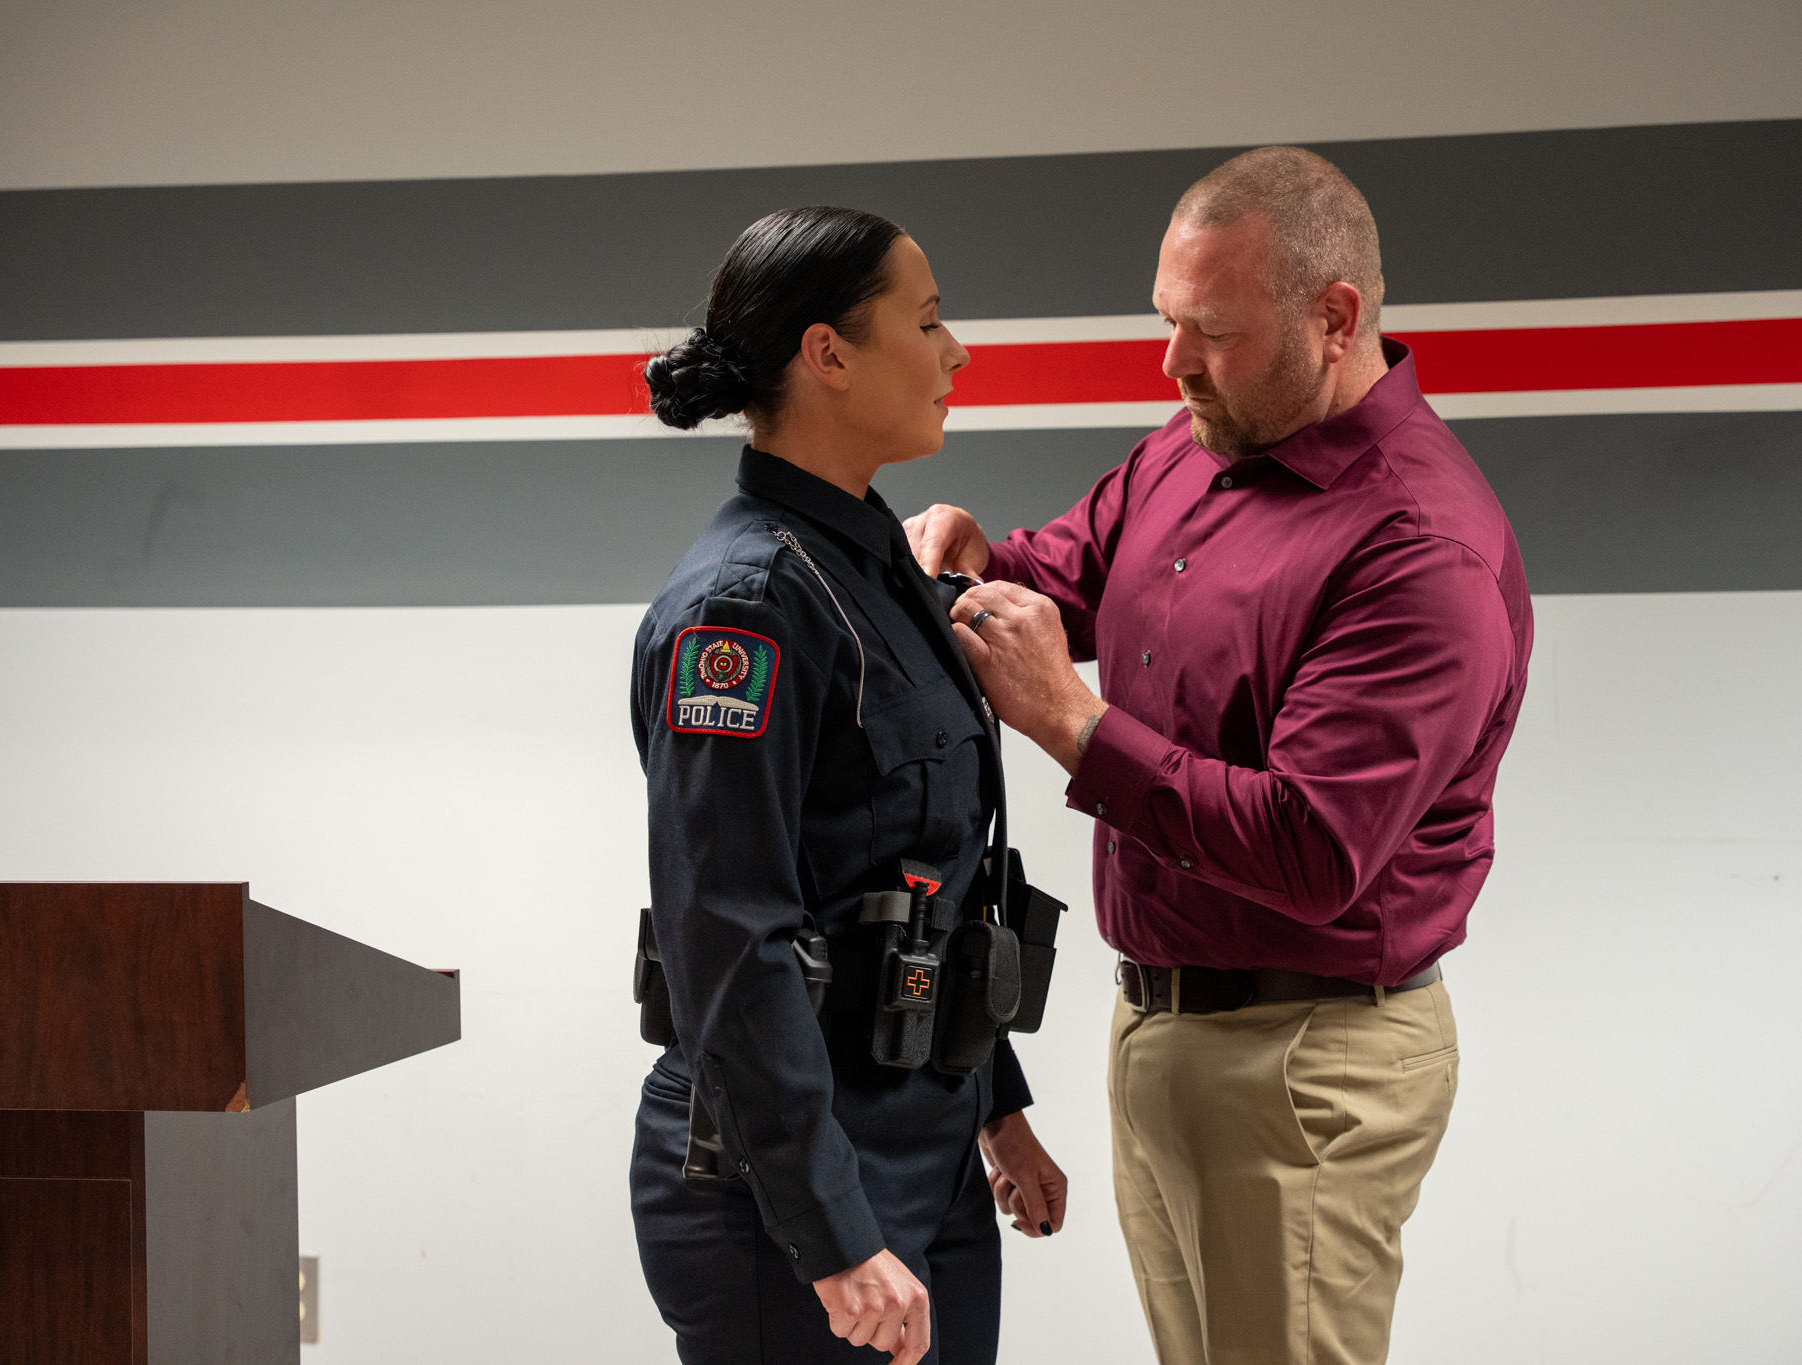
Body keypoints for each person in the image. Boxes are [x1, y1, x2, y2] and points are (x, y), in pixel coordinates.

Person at [906, 148, 1534, 1364]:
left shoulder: (1417, 549)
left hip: (1304, 1062)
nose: (1173, 362)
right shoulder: (1198, 441)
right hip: (1164, 1028)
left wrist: (1066, 723)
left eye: (1208, 330)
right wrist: (986, 568)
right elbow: (1072, 571)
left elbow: (1310, 849)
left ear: (1334, 319)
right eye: (1165, 322)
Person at [627, 206, 1068, 1365]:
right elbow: (729, 936)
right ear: (827, 354)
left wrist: (998, 1107)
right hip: (789, 1183)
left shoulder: (879, 568)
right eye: (925, 322)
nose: (954, 351)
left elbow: (927, 882)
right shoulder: (745, 610)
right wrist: (828, 1235)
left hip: (930, 1140)